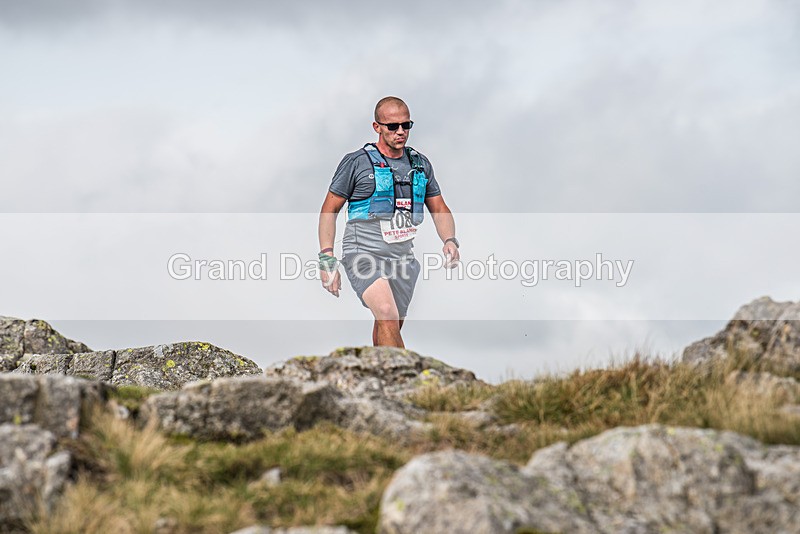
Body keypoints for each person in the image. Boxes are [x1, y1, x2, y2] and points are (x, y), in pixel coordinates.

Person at [318, 96, 459, 348]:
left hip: (402, 258)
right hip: (363, 252)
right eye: (393, 126)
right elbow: (329, 209)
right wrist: (327, 258)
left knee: (389, 324)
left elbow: (439, 207)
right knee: (386, 312)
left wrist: (449, 240)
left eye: (406, 125)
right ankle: (410, 382)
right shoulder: (356, 163)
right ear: (377, 127)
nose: (401, 132)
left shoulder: (420, 164)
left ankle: (380, 379)